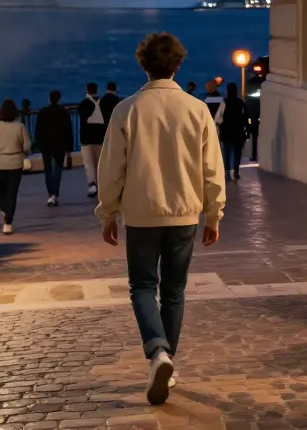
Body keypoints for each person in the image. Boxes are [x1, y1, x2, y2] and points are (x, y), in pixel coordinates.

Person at [97, 32, 225, 407]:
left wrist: (108, 213)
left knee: (142, 286)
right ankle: (167, 358)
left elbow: (111, 170)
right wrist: (214, 214)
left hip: (140, 214)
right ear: (178, 65)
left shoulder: (127, 110)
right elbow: (212, 169)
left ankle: (158, 352)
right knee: (174, 291)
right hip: (184, 213)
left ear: (143, 65)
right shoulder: (197, 109)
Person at [0, 99, 32, 235]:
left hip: (0, 163)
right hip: (16, 163)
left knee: (2, 191)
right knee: (12, 192)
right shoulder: (20, 126)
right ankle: (8, 222)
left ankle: (4, 210)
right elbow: (27, 147)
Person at [34, 90, 74, 206]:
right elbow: (68, 131)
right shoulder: (63, 112)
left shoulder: (43, 112)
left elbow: (38, 131)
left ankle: (51, 193)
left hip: (46, 145)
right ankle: (54, 193)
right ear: (59, 99)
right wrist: (69, 148)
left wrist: (39, 144)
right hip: (60, 145)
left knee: (48, 170)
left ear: (49, 99)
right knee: (57, 170)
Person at [217, 82, 249, 181]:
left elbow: (218, 118)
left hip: (227, 132)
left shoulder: (224, 102)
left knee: (227, 153)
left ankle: (227, 172)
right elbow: (246, 117)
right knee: (237, 153)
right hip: (239, 132)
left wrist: (220, 124)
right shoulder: (241, 103)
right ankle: (236, 171)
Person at [78, 82, 104, 198]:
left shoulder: (83, 104)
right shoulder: (102, 103)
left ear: (87, 90)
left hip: (86, 138)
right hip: (100, 137)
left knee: (89, 163)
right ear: (96, 90)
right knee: (100, 163)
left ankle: (92, 185)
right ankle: (102, 184)